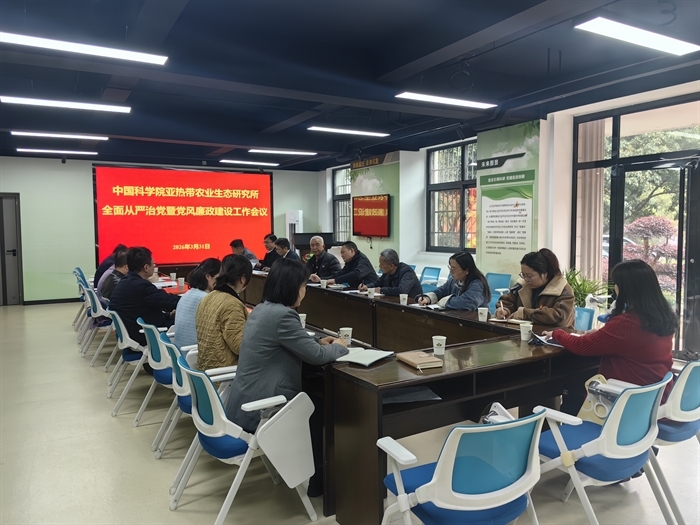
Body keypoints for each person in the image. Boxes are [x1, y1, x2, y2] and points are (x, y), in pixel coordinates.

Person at [224, 258, 348, 497]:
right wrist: (339, 347)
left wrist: (316, 339)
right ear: (292, 287)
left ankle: (316, 477)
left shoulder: (263, 308)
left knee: (316, 396)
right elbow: (318, 356)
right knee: (319, 408)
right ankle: (318, 481)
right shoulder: (283, 316)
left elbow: (288, 339)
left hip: (244, 400)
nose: (305, 291)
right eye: (304, 286)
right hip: (260, 408)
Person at [544, 259, 677, 414]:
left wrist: (557, 333)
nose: (615, 287)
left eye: (617, 283)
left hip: (628, 403)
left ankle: (570, 425)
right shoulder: (662, 316)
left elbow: (582, 346)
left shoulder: (627, 323)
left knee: (574, 388)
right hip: (655, 397)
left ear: (626, 289)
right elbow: (631, 343)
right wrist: (603, 335)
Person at [108, 247, 180, 348]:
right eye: (153, 264)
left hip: (132, 331)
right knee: (187, 324)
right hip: (144, 336)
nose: (154, 266)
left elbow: (142, 310)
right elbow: (168, 301)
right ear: (146, 267)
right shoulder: (141, 286)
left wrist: (168, 315)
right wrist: (187, 300)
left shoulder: (125, 281)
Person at [195, 254, 252, 370]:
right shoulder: (231, 304)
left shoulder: (207, 297)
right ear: (243, 279)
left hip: (204, 370)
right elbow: (240, 347)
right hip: (223, 374)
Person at [495, 248, 575, 328]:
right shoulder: (521, 286)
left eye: (530, 276)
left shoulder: (563, 290)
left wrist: (525, 313)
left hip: (552, 334)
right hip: (522, 332)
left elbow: (560, 317)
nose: (526, 279)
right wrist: (504, 310)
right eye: (523, 275)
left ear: (545, 274)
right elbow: (507, 301)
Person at [173, 258, 221, 350]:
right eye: (219, 278)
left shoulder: (188, 293)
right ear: (208, 276)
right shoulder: (205, 298)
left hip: (179, 353)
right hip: (193, 353)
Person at [416, 251, 490, 310]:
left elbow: (468, 303)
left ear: (467, 270)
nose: (451, 271)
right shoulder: (454, 281)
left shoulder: (478, 284)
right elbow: (441, 291)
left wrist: (444, 301)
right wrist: (428, 298)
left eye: (454, 268)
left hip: (475, 320)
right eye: (450, 267)